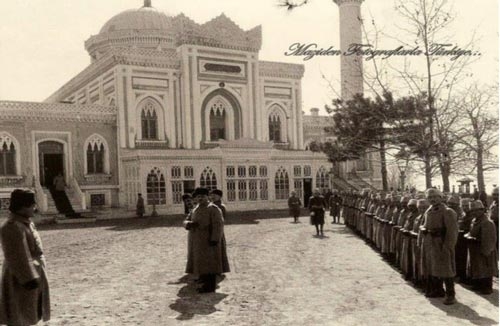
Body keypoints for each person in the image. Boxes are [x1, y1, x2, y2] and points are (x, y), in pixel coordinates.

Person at [0, 189, 50, 325]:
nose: (35, 207)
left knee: (27, 315)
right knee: (18, 316)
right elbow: (17, 256)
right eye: (31, 205)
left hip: (30, 275)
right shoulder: (12, 226)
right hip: (21, 279)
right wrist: (29, 280)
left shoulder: (24, 223)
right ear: (22, 207)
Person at [183, 188, 227, 293]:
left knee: (210, 263)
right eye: (198, 196)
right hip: (196, 241)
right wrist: (188, 224)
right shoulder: (195, 208)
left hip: (208, 240)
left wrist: (215, 239)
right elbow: (186, 219)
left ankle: (209, 287)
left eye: (203, 196)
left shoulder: (213, 209)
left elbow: (218, 225)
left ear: (207, 197)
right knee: (200, 261)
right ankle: (203, 279)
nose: (200, 198)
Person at [420, 188, 458, 305]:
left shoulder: (448, 212)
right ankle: (438, 290)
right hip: (430, 244)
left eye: (435, 197)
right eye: (430, 197)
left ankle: (450, 294)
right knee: (433, 267)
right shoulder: (428, 211)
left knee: (446, 269)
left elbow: (452, 231)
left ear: (441, 198)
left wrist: (448, 247)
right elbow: (423, 225)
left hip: (442, 243)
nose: (433, 199)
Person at [464, 200, 498, 295]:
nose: (474, 213)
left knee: (486, 268)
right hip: (475, 249)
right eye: (473, 211)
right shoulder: (474, 221)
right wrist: (468, 235)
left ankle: (487, 287)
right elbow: (472, 232)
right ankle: (478, 285)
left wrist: (486, 250)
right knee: (477, 268)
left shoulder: (487, 222)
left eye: (477, 210)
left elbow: (489, 239)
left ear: (482, 210)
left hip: (484, 249)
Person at [208, 189, 230, 275]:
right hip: (210, 230)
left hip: (218, 231)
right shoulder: (210, 205)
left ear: (220, 196)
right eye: (211, 195)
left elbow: (221, 221)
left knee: (218, 250)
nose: (212, 197)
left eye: (215, 195)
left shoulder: (221, 206)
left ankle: (219, 269)